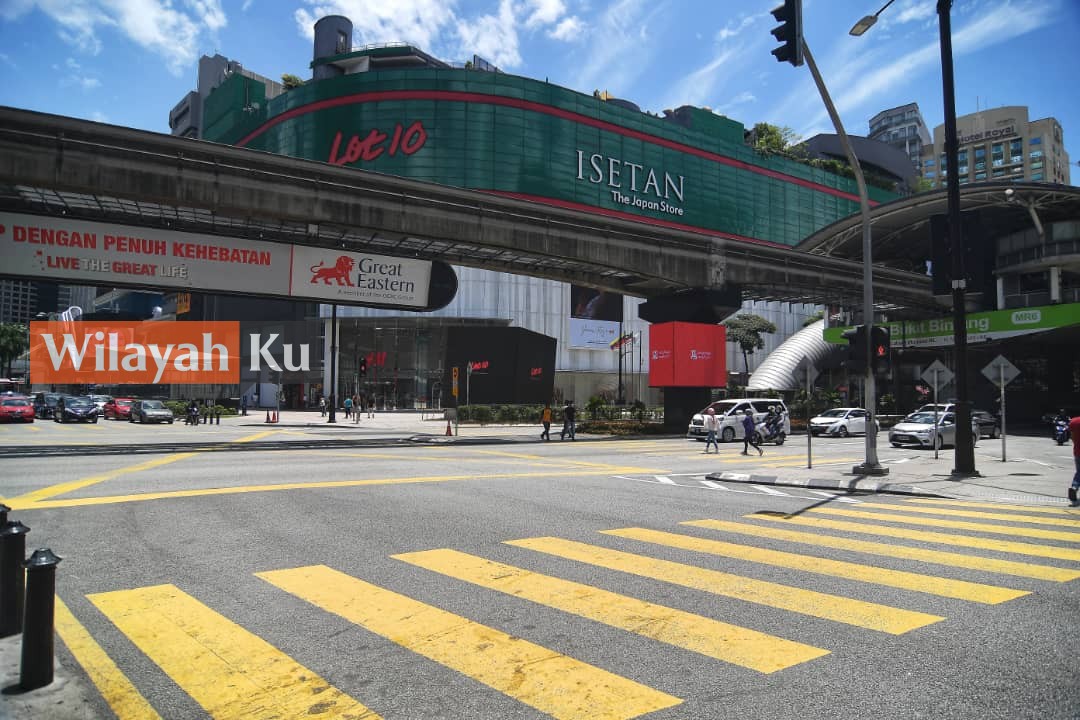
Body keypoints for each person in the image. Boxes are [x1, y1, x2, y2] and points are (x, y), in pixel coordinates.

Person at [1069, 413, 1080, 506]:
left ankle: (1074, 486)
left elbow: (1072, 437)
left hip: (1077, 452)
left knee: (1079, 472)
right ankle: (1074, 487)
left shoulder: (1073, 421)